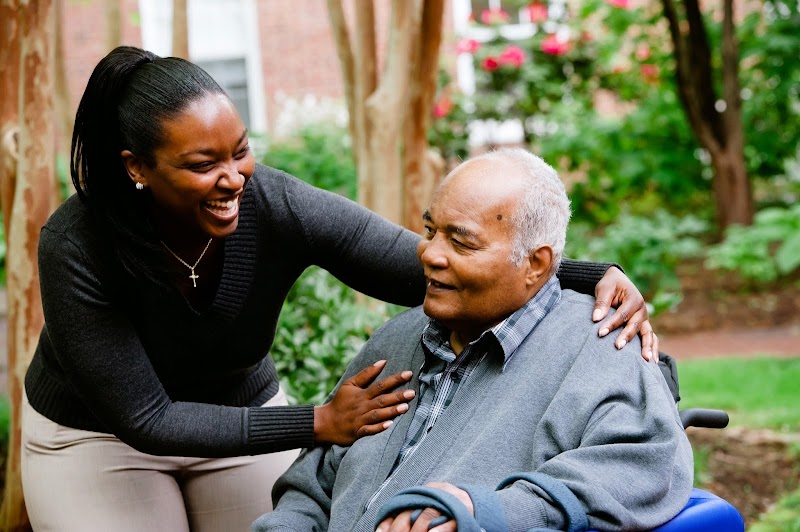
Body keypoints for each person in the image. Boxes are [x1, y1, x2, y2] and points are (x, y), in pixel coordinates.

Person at [22, 46, 654, 531]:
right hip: (100, 439)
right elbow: (148, 418)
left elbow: (419, 266)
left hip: (242, 416)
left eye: (239, 152)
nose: (233, 178)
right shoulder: (77, 244)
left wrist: (578, 272)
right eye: (202, 165)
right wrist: (320, 421)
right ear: (137, 167)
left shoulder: (273, 203)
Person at [253, 148, 693, 532]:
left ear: (536, 264)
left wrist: (487, 511)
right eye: (430, 231)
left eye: (461, 243)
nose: (430, 254)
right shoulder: (397, 339)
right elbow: (311, 487)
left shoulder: (600, 346)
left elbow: (649, 463)